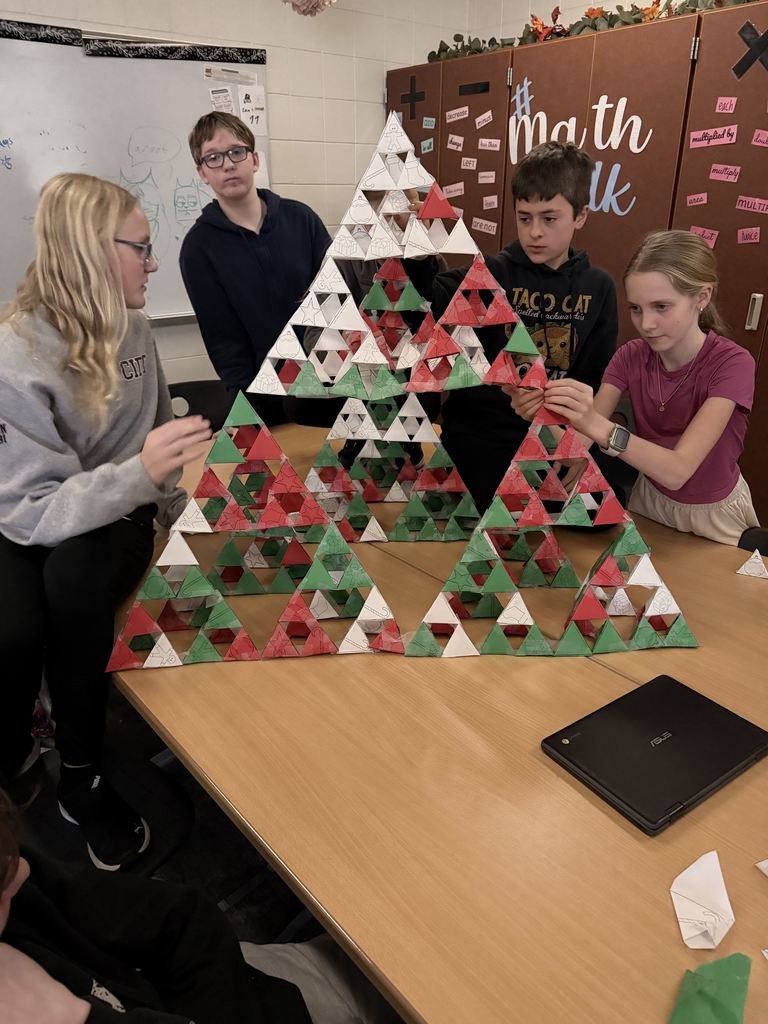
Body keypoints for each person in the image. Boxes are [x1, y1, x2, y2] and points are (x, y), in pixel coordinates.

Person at [0, 173, 211, 870]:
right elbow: (29, 510)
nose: (154, 263)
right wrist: (140, 473)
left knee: (77, 582)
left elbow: (159, 447)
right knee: (14, 627)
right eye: (141, 248)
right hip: (26, 512)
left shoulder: (139, 332)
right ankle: (17, 755)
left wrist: (183, 520)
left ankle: (82, 775)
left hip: (113, 512)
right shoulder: (16, 352)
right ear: (92, 253)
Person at [0, 788, 401, 1023]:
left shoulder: (18, 881)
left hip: (236, 990)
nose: (20, 879)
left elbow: (182, 917)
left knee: (384, 954)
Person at [430, 141, 621, 512]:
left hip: (555, 438)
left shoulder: (598, 288)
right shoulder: (491, 274)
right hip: (482, 439)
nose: (534, 232)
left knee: (604, 512)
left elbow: (595, 379)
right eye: (524, 217)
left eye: (549, 219)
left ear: (580, 216)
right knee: (501, 520)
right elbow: (431, 301)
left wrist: (574, 443)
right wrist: (419, 255)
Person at [543, 230, 760, 545]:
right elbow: (576, 454)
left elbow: (677, 470)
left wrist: (593, 424)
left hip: (716, 516)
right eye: (636, 308)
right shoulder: (630, 356)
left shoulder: (733, 364)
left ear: (702, 297)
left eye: (661, 307)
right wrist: (538, 408)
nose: (646, 324)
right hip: (648, 503)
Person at [180, 112, 331, 424]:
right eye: (213, 157)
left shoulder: (302, 219)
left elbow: (336, 299)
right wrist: (248, 411)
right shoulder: (198, 248)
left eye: (236, 152)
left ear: (254, 160)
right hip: (262, 400)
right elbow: (223, 340)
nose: (227, 164)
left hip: (326, 385)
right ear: (202, 172)